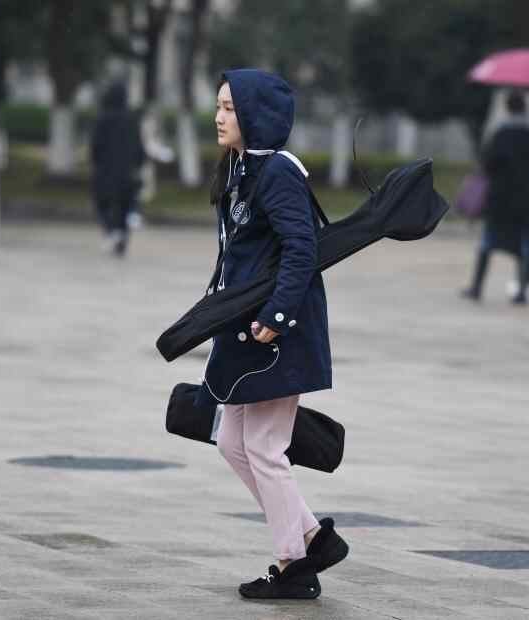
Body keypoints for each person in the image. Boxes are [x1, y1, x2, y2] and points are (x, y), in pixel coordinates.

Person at [206, 69, 347, 600]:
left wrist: (278, 317)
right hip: (246, 328)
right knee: (230, 441)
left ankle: (294, 566)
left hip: (276, 333)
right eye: (218, 107)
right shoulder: (243, 168)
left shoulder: (279, 171)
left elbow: (301, 249)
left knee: (264, 447)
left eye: (229, 108)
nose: (219, 117)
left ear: (256, 115)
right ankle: (312, 537)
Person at [461, 92, 529, 304]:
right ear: (525, 109)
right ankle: (522, 291)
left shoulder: (500, 134)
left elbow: (488, 165)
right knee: (523, 245)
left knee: (488, 242)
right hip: (523, 199)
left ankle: (477, 287)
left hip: (499, 199)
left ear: (507, 108)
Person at [90, 82, 145, 257]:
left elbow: (95, 146)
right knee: (124, 205)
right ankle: (122, 236)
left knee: (103, 203)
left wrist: (96, 163)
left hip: (106, 172)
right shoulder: (131, 120)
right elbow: (139, 145)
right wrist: (138, 163)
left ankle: (111, 230)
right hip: (128, 172)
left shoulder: (102, 119)